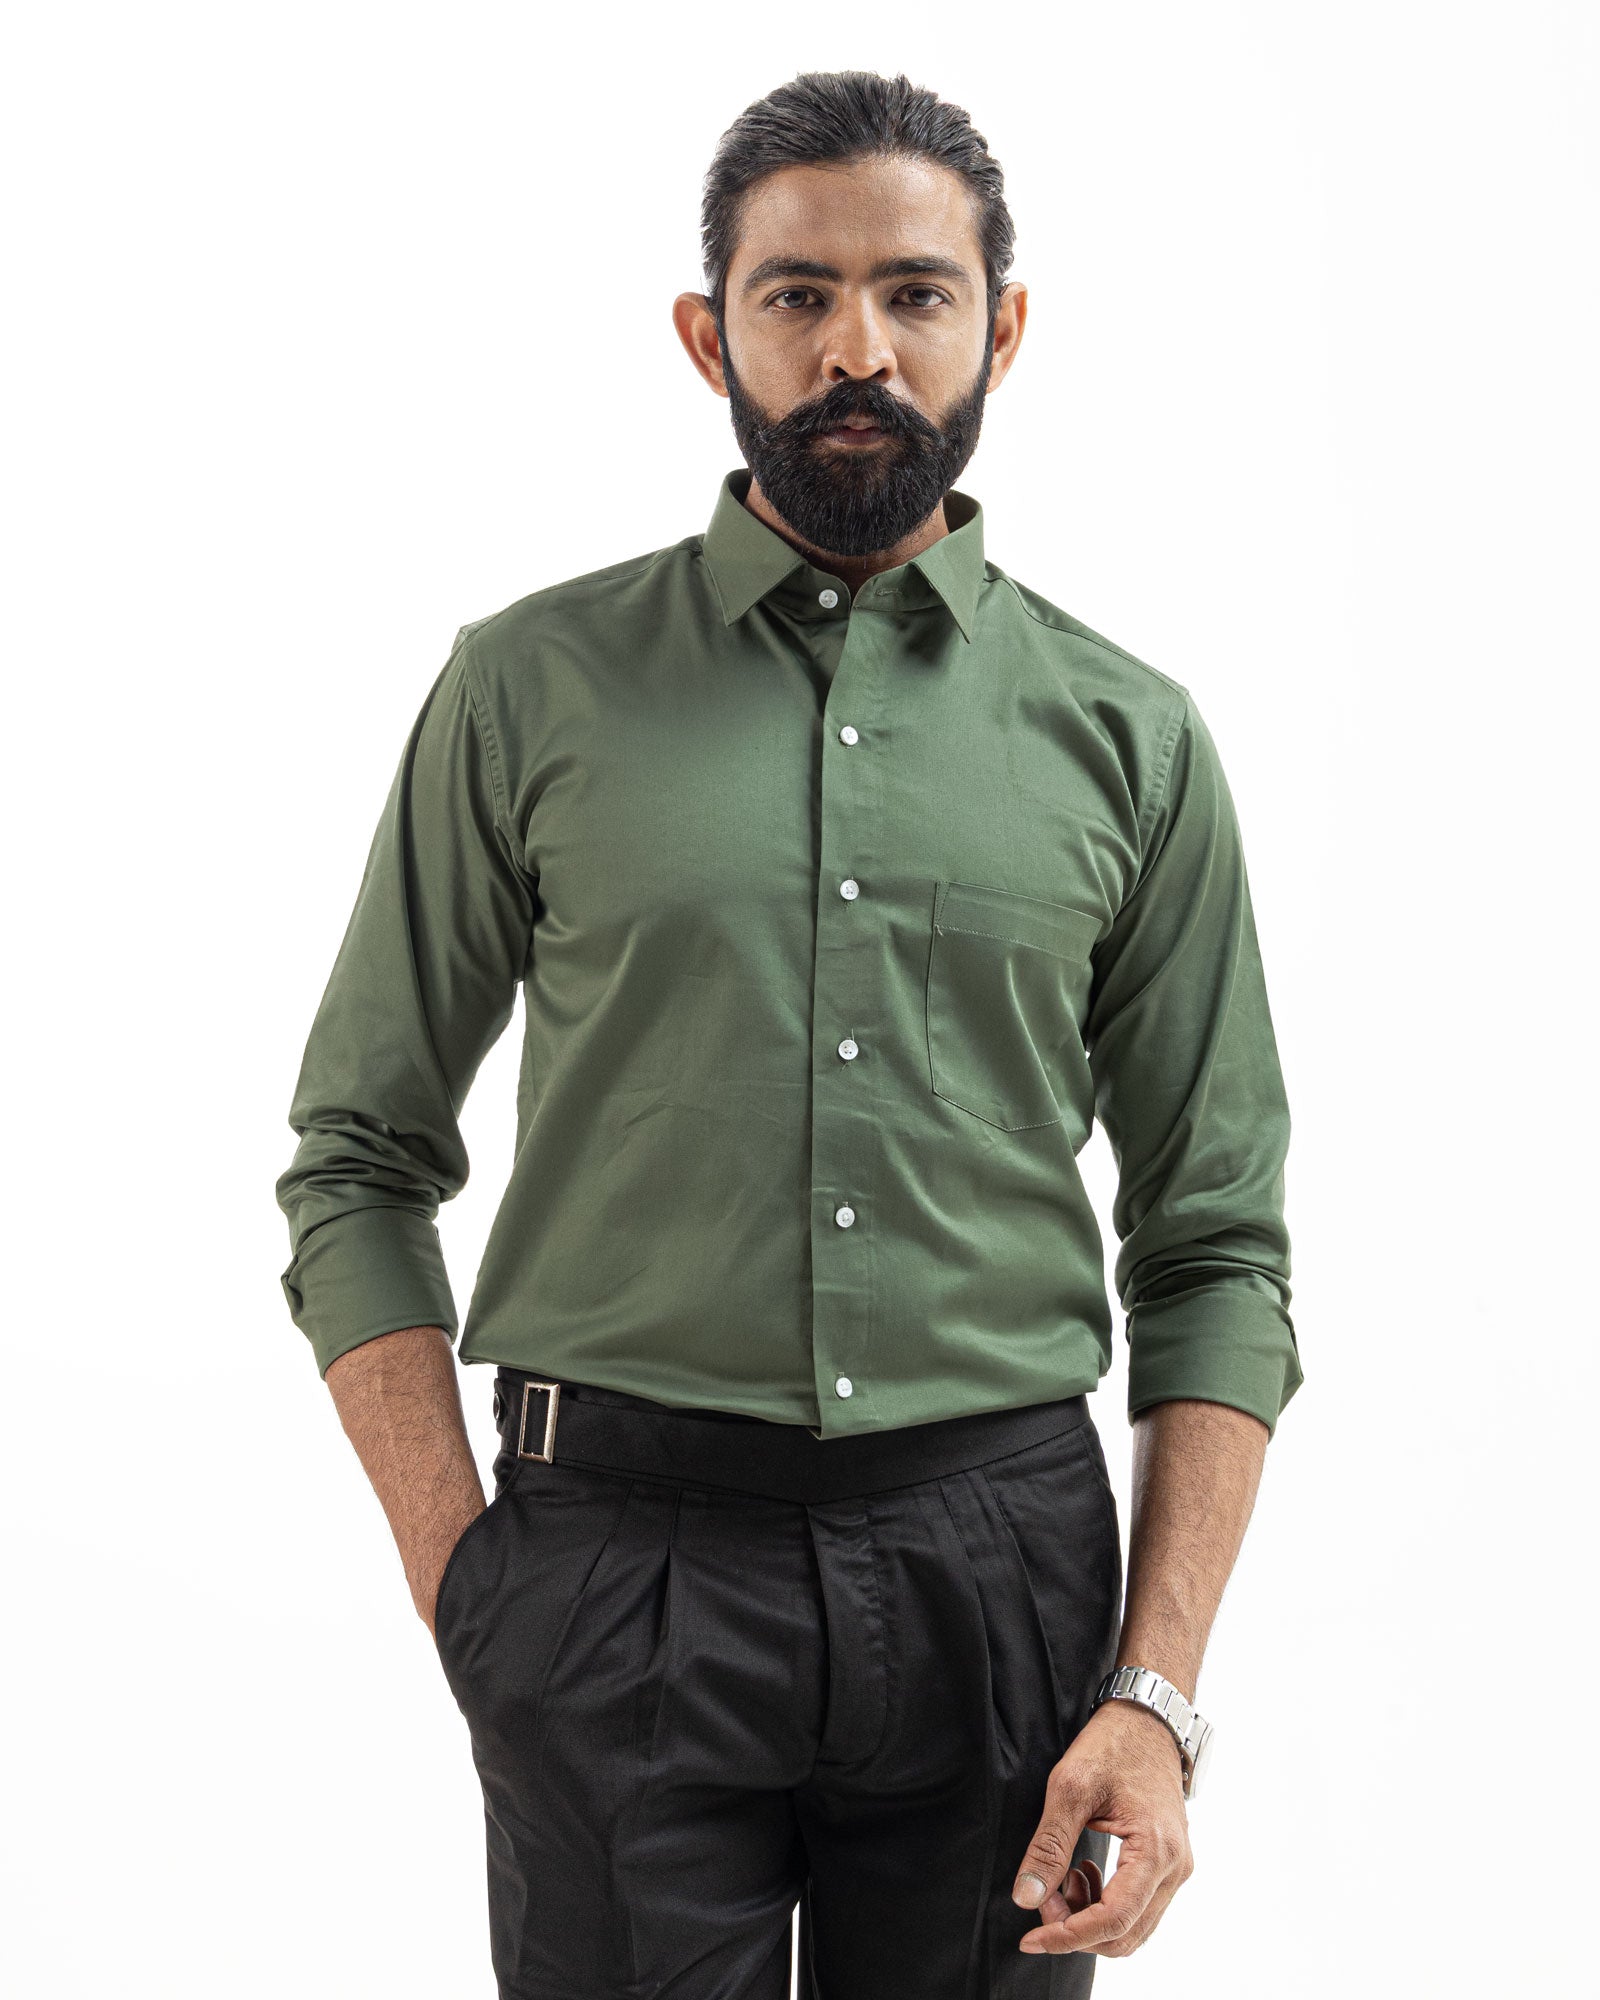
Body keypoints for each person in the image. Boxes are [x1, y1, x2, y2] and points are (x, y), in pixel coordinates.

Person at [275, 67, 1303, 1998]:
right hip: (607, 1564)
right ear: (708, 336)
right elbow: (356, 1159)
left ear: (1002, 328)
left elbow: (1218, 1247)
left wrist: (1156, 1693)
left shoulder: (1133, 739)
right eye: (797, 294)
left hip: (1003, 1577)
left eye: (916, 295)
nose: (858, 350)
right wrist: (466, 1580)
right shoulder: (525, 690)